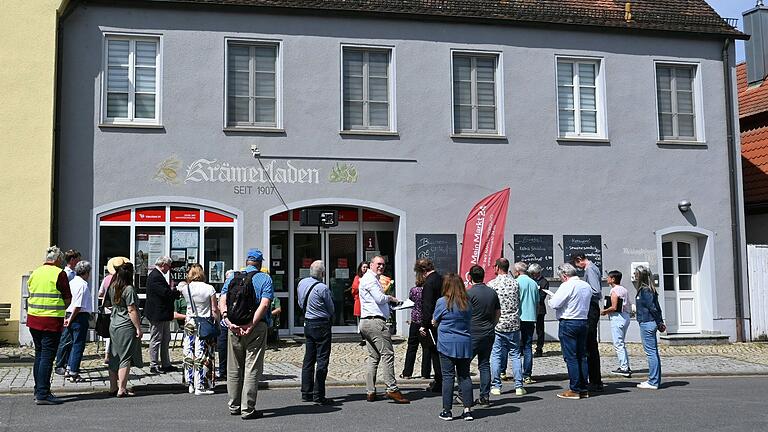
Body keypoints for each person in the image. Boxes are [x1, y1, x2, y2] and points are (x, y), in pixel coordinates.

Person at [219, 249, 273, 420]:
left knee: (233, 368)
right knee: (252, 367)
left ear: (247, 261)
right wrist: (251, 324)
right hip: (256, 328)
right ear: (260, 263)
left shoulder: (233, 277)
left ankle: (234, 405)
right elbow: (264, 304)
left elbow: (222, 299)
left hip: (233, 326)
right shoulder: (265, 278)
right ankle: (247, 408)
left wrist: (227, 320)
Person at [358, 255, 409, 404]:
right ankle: (392, 389)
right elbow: (380, 299)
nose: (381, 266)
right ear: (371, 264)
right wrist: (391, 299)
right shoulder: (370, 279)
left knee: (373, 357)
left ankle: (370, 392)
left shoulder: (369, 278)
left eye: (383, 264)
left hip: (366, 322)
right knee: (387, 354)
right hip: (375, 322)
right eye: (378, 264)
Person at [27, 246, 72, 405]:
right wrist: (60, 307)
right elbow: (67, 298)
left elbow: (30, 293)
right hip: (51, 320)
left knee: (39, 355)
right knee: (47, 356)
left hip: (34, 319)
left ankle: (38, 390)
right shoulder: (59, 274)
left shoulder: (35, 273)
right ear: (58, 259)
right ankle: (43, 394)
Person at [433, 273, 474, 421]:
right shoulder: (467, 302)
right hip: (465, 342)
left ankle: (447, 410)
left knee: (448, 377)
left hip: (446, 344)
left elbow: (435, 320)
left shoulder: (442, 302)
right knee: (464, 376)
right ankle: (468, 410)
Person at [549, 263, 592, 399]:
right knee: (582, 356)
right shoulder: (586, 285)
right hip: (583, 320)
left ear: (564, 275)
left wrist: (551, 299)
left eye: (561, 277)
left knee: (571, 357)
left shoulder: (567, 285)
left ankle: (575, 389)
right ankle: (583, 387)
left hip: (569, 321)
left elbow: (555, 304)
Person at [297, 260, 335, 405]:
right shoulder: (322, 288)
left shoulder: (301, 283)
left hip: (308, 323)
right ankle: (319, 395)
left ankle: (306, 392)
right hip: (321, 324)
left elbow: (300, 303)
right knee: (322, 360)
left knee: (308, 359)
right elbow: (331, 308)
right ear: (322, 274)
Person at [179, 263, 220, 395]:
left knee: (189, 352)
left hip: (190, 321)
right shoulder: (209, 288)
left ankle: (190, 383)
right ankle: (200, 385)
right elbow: (214, 309)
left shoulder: (186, 289)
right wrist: (217, 323)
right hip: (204, 322)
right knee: (202, 353)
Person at [107, 262, 144, 397]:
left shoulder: (113, 286)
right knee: (125, 357)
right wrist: (138, 328)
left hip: (114, 323)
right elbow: (132, 310)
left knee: (114, 356)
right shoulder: (129, 289)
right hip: (126, 325)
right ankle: (122, 388)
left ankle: (112, 387)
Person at [466, 265, 500, 405]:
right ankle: (485, 396)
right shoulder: (492, 292)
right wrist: (492, 324)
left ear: (470, 277)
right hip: (488, 331)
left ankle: (463, 394)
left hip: (473, 332)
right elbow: (498, 312)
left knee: (464, 365)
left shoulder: (469, 293)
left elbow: (464, 313)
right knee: (484, 364)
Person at [54, 260, 93, 382]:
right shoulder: (83, 285)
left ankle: (69, 368)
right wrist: (70, 319)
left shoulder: (72, 282)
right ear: (86, 272)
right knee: (78, 345)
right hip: (78, 316)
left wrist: (67, 317)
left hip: (69, 313)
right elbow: (78, 305)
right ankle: (73, 372)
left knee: (71, 344)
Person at [489, 258, 522, 399]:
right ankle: (519, 386)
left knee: (496, 354)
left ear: (497, 267)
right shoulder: (515, 283)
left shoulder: (492, 284)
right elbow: (518, 301)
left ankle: (496, 386)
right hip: (513, 323)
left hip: (498, 324)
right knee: (515, 355)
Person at [572, 252, 604, 392]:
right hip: (591, 307)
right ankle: (595, 380)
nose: (577, 267)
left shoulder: (590, 269)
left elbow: (595, 290)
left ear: (580, 260)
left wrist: (582, 291)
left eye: (576, 264)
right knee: (590, 345)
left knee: (590, 345)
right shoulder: (592, 268)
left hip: (591, 307)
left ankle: (595, 381)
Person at [144, 255, 181, 374]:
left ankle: (166, 363)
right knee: (156, 339)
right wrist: (176, 292)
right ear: (163, 265)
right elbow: (164, 293)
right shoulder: (155, 276)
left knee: (166, 339)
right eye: (168, 266)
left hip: (163, 314)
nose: (169, 269)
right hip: (157, 314)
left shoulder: (158, 275)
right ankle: (153, 364)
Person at [634, 266, 666, 390]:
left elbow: (653, 308)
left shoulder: (645, 291)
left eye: (636, 273)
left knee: (651, 353)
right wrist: (660, 322)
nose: (635, 275)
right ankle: (654, 380)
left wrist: (659, 322)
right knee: (653, 352)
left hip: (647, 322)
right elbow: (655, 307)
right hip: (649, 322)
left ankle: (653, 381)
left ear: (640, 276)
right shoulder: (649, 290)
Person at [52, 249, 82, 374]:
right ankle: (60, 364)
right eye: (78, 259)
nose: (79, 261)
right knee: (65, 339)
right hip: (69, 309)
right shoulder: (67, 274)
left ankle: (68, 363)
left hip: (74, 308)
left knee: (71, 339)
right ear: (73, 260)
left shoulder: (74, 273)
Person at [415, 258, 443, 393]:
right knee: (441, 352)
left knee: (434, 353)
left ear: (423, 271)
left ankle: (439, 382)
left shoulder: (428, 283)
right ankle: (442, 379)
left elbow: (427, 306)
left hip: (432, 321)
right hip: (442, 319)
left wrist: (423, 325)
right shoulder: (441, 278)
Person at [99, 257, 130, 365]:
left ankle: (108, 355)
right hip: (120, 311)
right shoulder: (124, 282)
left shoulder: (107, 279)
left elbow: (100, 293)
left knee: (110, 333)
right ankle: (115, 355)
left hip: (109, 309)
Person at [601, 270, 632, 378]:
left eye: (608, 277)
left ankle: (624, 368)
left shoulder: (614, 290)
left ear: (613, 279)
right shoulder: (624, 289)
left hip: (617, 318)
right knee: (622, 343)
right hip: (625, 317)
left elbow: (614, 307)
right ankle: (626, 365)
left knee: (618, 344)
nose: (607, 279)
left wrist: (604, 311)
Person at [514, 262, 540, 385]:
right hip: (531, 317)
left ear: (518, 271)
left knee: (515, 347)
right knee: (528, 346)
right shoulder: (534, 283)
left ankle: (516, 374)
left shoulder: (516, 282)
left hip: (519, 317)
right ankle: (527, 375)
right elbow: (537, 301)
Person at [400, 282, 430, 380]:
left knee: (412, 347)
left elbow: (411, 301)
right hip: (425, 321)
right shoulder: (428, 291)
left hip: (415, 321)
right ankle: (425, 373)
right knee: (426, 348)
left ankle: (407, 373)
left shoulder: (414, 290)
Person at [217, 269, 235, 380]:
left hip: (233, 322)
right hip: (225, 323)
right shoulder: (224, 291)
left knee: (231, 348)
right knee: (222, 347)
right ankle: (223, 371)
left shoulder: (236, 290)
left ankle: (230, 372)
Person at [528, 263, 549, 357]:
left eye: (533, 273)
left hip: (540, 309)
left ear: (537, 272)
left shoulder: (544, 282)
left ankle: (539, 348)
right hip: (530, 308)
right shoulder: (530, 280)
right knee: (528, 328)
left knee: (540, 330)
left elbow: (542, 296)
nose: (532, 275)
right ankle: (526, 347)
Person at [351, 261, 368, 346]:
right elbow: (354, 289)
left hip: (368, 302)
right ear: (360, 268)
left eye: (366, 267)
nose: (365, 269)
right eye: (364, 267)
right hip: (359, 301)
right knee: (361, 321)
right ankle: (363, 338)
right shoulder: (357, 278)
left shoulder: (370, 277)